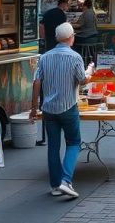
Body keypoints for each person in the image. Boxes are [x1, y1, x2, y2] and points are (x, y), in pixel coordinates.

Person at [29, 23, 91, 198]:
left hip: (48, 109)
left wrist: (34, 108)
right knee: (73, 143)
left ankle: (55, 185)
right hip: (68, 107)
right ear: (71, 37)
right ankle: (66, 180)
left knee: (53, 147)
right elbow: (82, 80)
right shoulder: (75, 57)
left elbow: (36, 82)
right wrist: (90, 73)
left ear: (57, 38)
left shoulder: (45, 57)